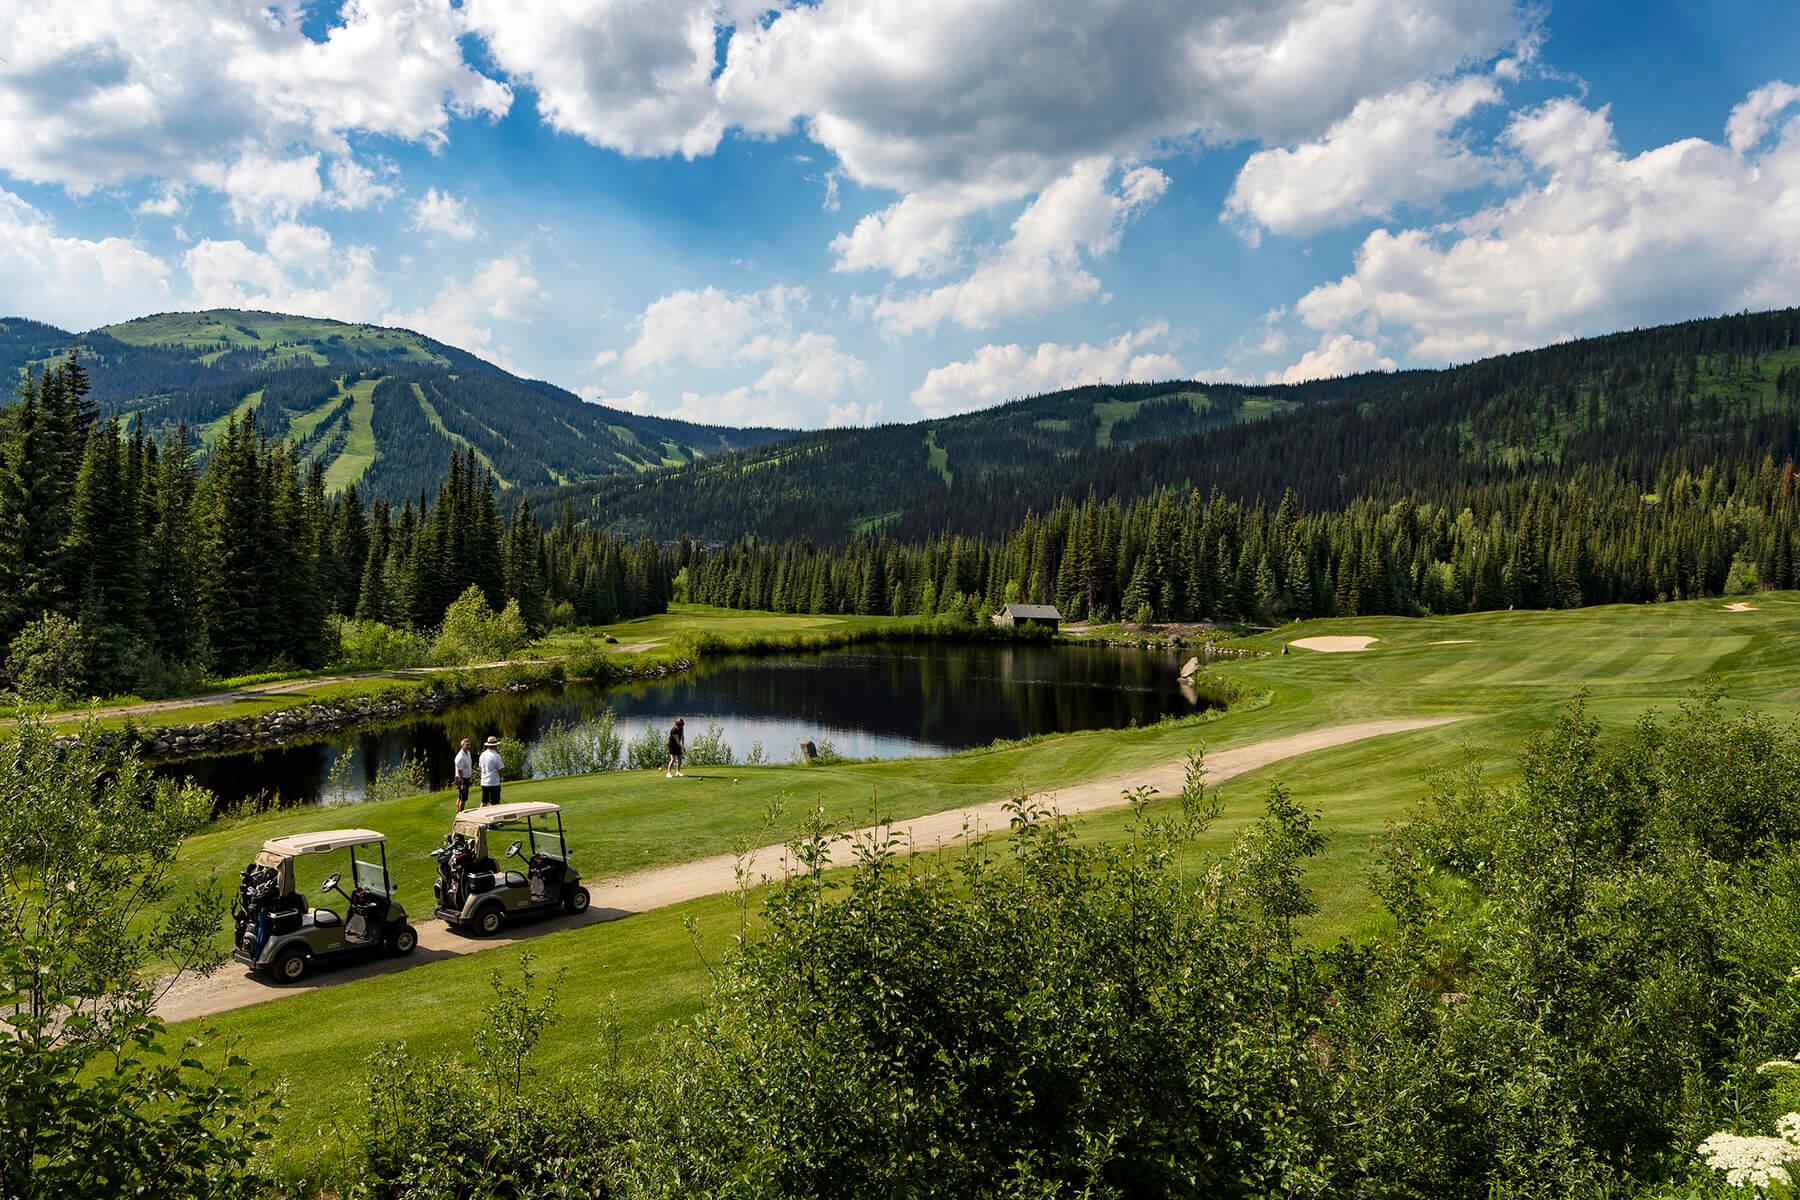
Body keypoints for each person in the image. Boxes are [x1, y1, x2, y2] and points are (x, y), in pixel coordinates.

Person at [479, 735, 505, 806]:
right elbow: (501, 769)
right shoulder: (496, 756)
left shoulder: (482, 755)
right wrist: (501, 775)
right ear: (494, 746)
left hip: (484, 782)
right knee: (495, 804)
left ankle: (479, 816)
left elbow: (481, 768)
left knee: (484, 802)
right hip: (494, 782)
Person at [453, 737, 474, 813]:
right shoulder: (460, 757)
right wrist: (462, 783)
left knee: (460, 796)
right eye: (467, 745)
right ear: (462, 745)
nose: (468, 746)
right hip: (461, 779)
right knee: (463, 798)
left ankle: (457, 810)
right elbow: (460, 771)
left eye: (469, 745)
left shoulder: (468, 753)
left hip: (465, 778)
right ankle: (461, 813)